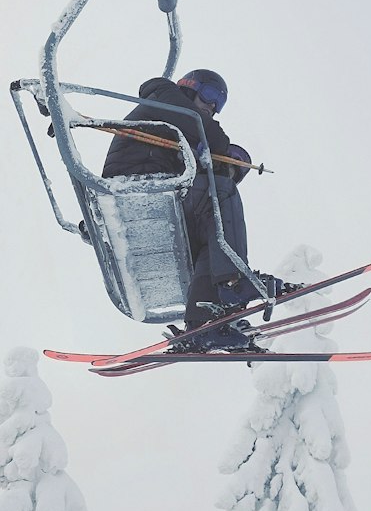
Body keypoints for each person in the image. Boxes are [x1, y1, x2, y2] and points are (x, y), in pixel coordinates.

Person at [101, 68, 286, 347]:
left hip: (156, 193)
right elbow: (204, 129)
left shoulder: (179, 130)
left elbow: (199, 151)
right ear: (190, 86)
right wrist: (223, 153)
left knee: (208, 234)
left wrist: (225, 164)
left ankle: (204, 319)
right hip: (136, 186)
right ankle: (233, 282)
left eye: (217, 105)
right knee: (221, 192)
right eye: (210, 96)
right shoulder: (164, 96)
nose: (211, 107)